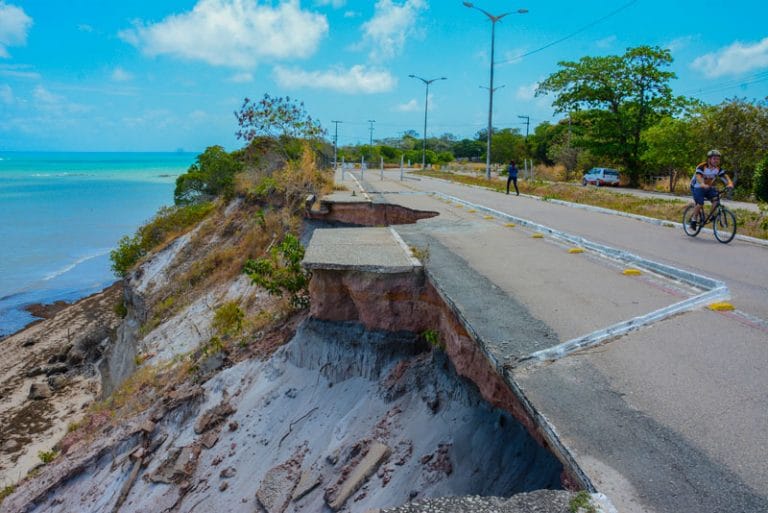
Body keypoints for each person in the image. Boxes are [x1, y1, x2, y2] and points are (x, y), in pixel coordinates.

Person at [689, 149, 734, 229]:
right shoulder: (702, 166)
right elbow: (698, 176)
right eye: (714, 158)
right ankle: (693, 219)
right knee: (700, 203)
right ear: (709, 159)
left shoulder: (717, 169)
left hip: (708, 187)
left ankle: (711, 216)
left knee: (716, 200)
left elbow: (725, 176)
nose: (716, 161)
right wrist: (702, 184)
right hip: (696, 187)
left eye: (718, 159)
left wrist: (729, 183)